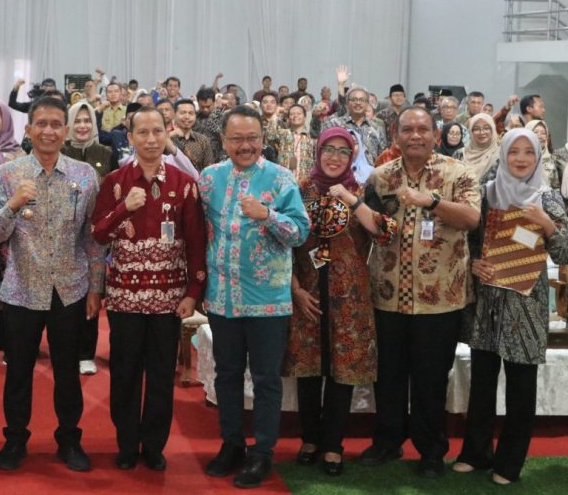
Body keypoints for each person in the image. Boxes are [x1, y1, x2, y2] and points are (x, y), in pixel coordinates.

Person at [0, 96, 106, 473]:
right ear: (29, 129)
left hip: (70, 288)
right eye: (41, 124)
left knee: (67, 372)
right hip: (22, 289)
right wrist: (14, 203)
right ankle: (15, 440)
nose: (49, 131)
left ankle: (69, 439)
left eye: (56, 124)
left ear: (65, 131)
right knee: (18, 372)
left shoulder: (84, 175)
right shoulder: (9, 174)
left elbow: (92, 238)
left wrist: (95, 288)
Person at [359, 106, 480, 478]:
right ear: (395, 135)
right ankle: (388, 440)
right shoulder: (380, 177)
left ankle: (431, 451)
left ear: (435, 135)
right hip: (388, 296)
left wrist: (433, 202)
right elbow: (368, 225)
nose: (415, 136)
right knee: (388, 376)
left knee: (431, 379)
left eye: (422, 129)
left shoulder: (458, 173)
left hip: (439, 301)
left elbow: (472, 218)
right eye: (407, 129)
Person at [198, 105, 310, 489]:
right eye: (237, 139)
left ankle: (262, 453)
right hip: (222, 297)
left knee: (265, 380)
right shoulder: (209, 179)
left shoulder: (281, 179)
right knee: (227, 375)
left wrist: (268, 215)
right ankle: (231, 444)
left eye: (252, 138)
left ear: (263, 139)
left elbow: (300, 232)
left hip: (267, 300)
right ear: (223, 140)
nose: (245, 146)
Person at [90, 106, 207, 471]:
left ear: (166, 134)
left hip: (169, 300)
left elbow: (196, 241)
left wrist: (193, 293)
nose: (152, 139)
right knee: (124, 374)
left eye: (158, 131)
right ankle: (127, 443)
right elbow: (98, 234)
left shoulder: (184, 184)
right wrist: (123, 208)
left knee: (160, 375)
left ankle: (154, 445)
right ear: (130, 138)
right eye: (143, 132)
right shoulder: (115, 182)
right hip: (124, 298)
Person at [453, 128, 568, 485]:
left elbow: (565, 252)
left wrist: (547, 224)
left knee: (521, 387)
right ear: (503, 155)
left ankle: (509, 463)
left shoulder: (547, 197)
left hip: (526, 306)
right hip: (488, 303)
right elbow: (468, 242)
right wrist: (474, 263)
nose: (520, 158)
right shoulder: (486, 194)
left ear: (538, 156)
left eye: (528, 152)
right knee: (482, 382)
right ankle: (476, 453)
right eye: (514, 151)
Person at [283, 128, 397, 477]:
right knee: (308, 370)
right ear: (318, 152)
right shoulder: (299, 190)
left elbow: (385, 231)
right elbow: (282, 244)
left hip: (349, 296)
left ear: (352, 156)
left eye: (343, 151)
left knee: (341, 373)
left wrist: (351, 200)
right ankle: (310, 440)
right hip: (307, 294)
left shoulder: (361, 191)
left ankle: (333, 444)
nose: (334, 157)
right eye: (328, 149)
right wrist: (295, 289)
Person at [60, 100, 117, 376]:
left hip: (95, 233)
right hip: (63, 234)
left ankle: (85, 353)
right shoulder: (60, 151)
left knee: (91, 292)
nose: (82, 126)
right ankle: (64, 351)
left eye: (87, 121)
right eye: (78, 121)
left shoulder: (105, 152)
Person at [321, 86, 386, 182]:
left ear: (367, 104)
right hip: (339, 179)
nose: (358, 103)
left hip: (370, 181)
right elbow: (322, 152)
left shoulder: (376, 128)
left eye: (362, 100)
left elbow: (383, 156)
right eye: (354, 99)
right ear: (347, 103)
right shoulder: (333, 124)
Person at [171, 99, 215, 173]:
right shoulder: (168, 139)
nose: (187, 117)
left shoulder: (203, 140)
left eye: (191, 113)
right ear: (174, 115)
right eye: (183, 113)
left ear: (195, 116)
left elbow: (209, 170)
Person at [460, 113, 501, 182]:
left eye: (486, 128)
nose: (482, 132)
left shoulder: (501, 156)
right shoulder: (460, 154)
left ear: (493, 130)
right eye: (476, 129)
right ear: (471, 132)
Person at [279, 104, 316, 180]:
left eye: (299, 113)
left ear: (305, 117)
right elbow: (270, 135)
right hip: (284, 180)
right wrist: (277, 112)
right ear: (288, 118)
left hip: (304, 181)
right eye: (292, 114)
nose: (295, 116)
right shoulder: (283, 133)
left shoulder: (312, 138)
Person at [524, 119, 559, 189]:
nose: (540, 136)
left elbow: (556, 186)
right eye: (535, 132)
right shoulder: (518, 158)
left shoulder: (552, 159)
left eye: (543, 133)